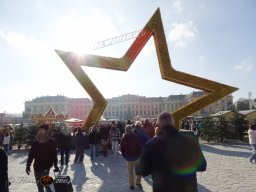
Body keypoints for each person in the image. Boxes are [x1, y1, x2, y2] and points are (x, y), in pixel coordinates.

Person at [136, 112, 207, 192]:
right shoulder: (190, 141)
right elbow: (202, 166)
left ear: (158, 125)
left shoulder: (150, 144)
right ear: (173, 123)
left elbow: (143, 171)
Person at [26, 124, 59, 192]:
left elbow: (54, 155)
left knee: (46, 185)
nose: (40, 132)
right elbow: (31, 155)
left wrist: (55, 165)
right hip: (37, 167)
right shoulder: (36, 143)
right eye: (39, 131)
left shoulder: (51, 142)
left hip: (46, 167)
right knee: (40, 187)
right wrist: (28, 165)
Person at [120, 125, 143, 190]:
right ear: (132, 129)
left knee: (130, 172)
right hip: (136, 157)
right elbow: (139, 146)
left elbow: (122, 148)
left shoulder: (124, 138)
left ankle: (131, 185)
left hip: (128, 157)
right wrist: (139, 154)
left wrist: (124, 155)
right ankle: (138, 182)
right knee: (138, 171)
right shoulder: (135, 137)